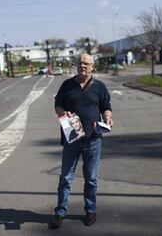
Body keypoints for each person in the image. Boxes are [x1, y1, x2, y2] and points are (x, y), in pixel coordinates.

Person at [51, 54, 113, 229]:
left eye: (86, 63)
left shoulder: (99, 87)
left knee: (91, 178)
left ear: (92, 66)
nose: (82, 66)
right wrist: (64, 114)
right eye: (79, 63)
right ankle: (60, 212)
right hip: (72, 138)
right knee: (65, 178)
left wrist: (107, 118)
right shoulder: (67, 85)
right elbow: (57, 105)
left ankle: (90, 210)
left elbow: (106, 107)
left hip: (93, 139)